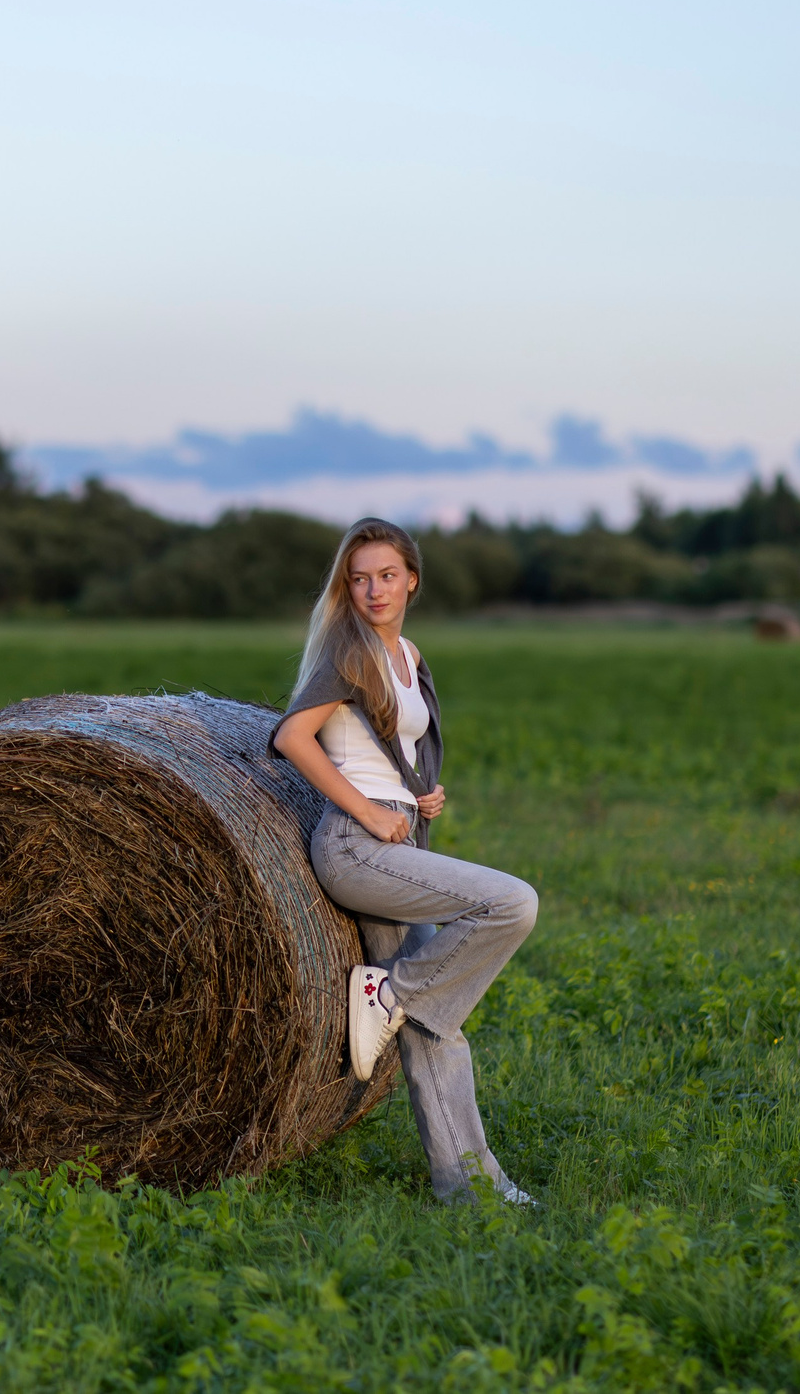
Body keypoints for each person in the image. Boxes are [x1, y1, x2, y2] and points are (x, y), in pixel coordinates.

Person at [270, 517, 539, 1206]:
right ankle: (386, 993)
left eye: (386, 576)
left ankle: (469, 1187)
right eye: (359, 579)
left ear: (412, 579)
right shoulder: (347, 650)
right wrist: (367, 809)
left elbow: (395, 745)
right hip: (356, 847)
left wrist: (420, 795)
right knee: (511, 903)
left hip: (399, 839)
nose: (373, 590)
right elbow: (293, 737)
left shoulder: (407, 654)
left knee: (435, 1022)